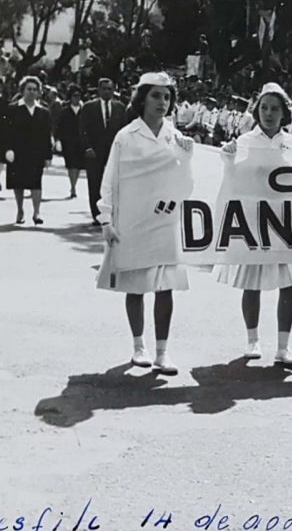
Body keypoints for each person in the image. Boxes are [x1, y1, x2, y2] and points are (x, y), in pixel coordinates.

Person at [97, 72, 195, 375]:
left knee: (165, 287)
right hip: (132, 219)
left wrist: (187, 155)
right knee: (136, 285)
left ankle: (163, 352)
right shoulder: (126, 136)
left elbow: (185, 183)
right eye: (155, 96)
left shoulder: (176, 137)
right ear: (142, 98)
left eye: (167, 97)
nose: (162, 103)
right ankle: (139, 346)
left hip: (164, 219)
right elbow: (110, 180)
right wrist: (106, 219)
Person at [217, 83, 292, 365]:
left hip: (284, 220)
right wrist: (228, 160)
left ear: (285, 112)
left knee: (290, 283)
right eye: (264, 108)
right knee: (252, 282)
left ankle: (284, 347)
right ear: (256, 110)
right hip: (255, 220)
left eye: (275, 108)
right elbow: (234, 181)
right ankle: (252, 340)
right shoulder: (246, 141)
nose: (269, 113)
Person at [3, 76, 53, 225]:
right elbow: (6, 131)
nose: (31, 92)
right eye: (28, 89)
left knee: (36, 182)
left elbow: (46, 134)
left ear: (39, 92)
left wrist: (48, 155)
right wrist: (8, 149)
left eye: (34, 89)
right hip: (17, 152)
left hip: (36, 152)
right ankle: (20, 210)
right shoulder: (13, 109)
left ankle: (37, 212)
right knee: (18, 182)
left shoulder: (43, 111)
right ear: (23, 91)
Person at [80, 78, 128, 226]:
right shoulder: (89, 107)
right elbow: (82, 130)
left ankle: (113, 213)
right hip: (94, 152)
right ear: (99, 90)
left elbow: (125, 130)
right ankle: (97, 215)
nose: (107, 91)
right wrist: (87, 147)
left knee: (114, 183)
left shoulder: (119, 107)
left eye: (110, 89)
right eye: (104, 89)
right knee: (95, 183)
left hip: (114, 151)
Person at [55, 84, 86, 199]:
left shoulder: (85, 111)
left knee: (78, 166)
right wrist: (58, 140)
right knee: (71, 165)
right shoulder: (64, 111)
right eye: (74, 96)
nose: (77, 98)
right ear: (70, 97)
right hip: (68, 142)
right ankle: (72, 186)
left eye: (78, 96)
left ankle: (74, 184)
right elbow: (59, 126)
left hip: (81, 142)